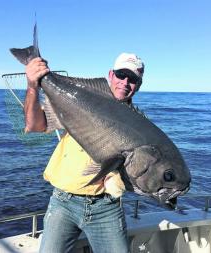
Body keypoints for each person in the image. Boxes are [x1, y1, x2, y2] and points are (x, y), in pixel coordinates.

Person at [24, 53, 145, 253]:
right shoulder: (83, 99)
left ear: (138, 85)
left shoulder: (139, 127)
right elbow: (34, 125)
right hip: (63, 202)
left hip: (106, 207)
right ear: (110, 75)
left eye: (132, 79)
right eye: (121, 74)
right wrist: (32, 85)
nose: (125, 82)